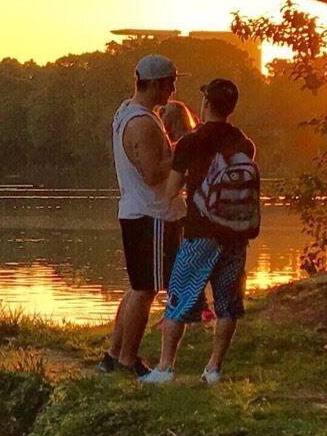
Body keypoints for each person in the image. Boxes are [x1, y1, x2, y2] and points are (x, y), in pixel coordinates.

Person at [143, 76, 260, 384]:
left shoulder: (191, 142)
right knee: (227, 303)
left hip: (200, 234)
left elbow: (171, 190)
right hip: (235, 234)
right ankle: (214, 369)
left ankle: (165, 368)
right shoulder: (244, 143)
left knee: (178, 298)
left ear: (206, 104)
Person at [103, 53, 181, 375]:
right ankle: (128, 361)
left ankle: (113, 356)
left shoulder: (127, 112)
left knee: (137, 286)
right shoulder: (143, 123)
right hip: (152, 215)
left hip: (139, 212)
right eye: (170, 83)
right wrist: (183, 155)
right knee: (145, 289)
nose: (173, 90)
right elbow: (152, 173)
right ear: (155, 84)